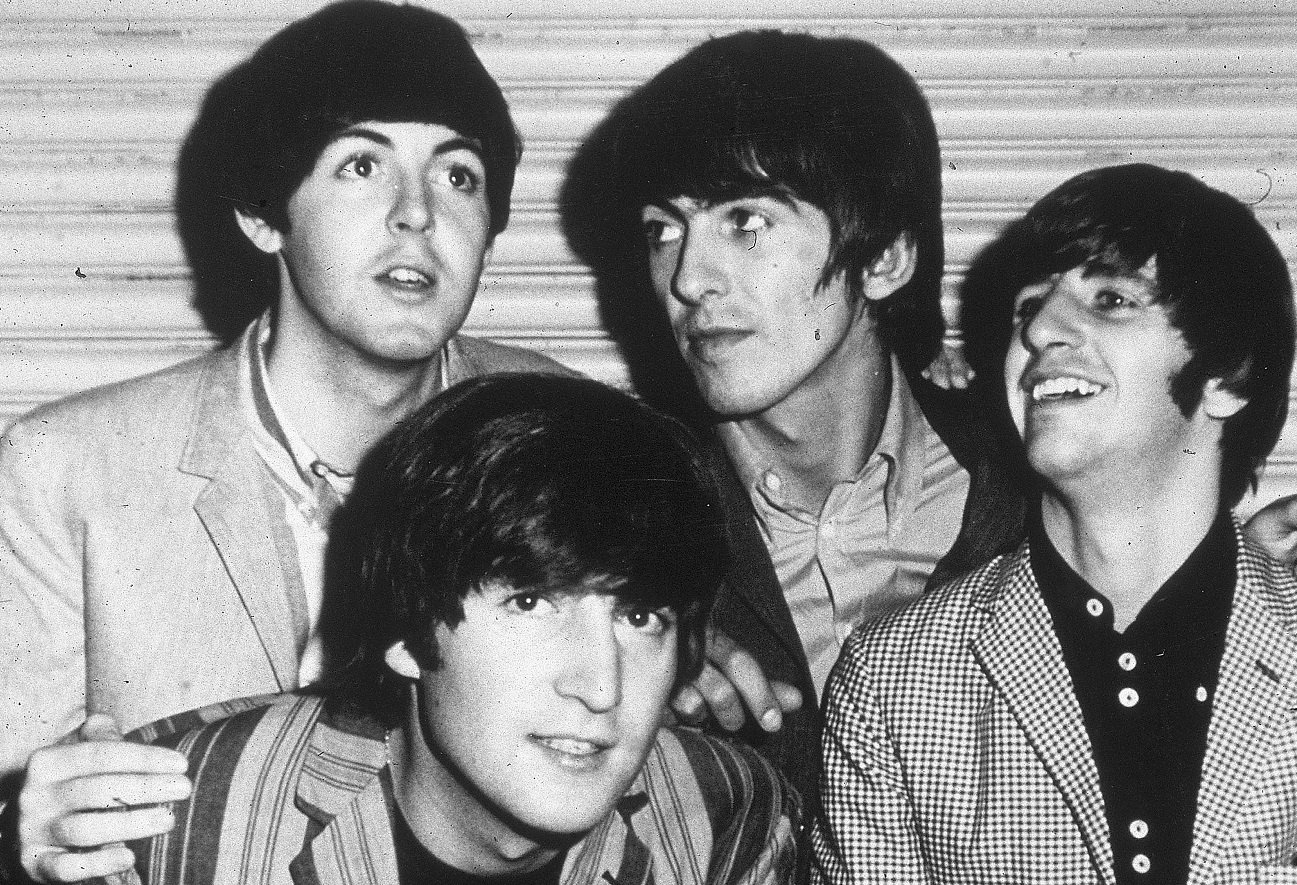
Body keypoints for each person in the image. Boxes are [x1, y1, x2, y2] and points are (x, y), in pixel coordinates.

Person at [1, 2, 569, 879]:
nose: (417, 214)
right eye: (361, 165)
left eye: (459, 175)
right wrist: (18, 837)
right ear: (264, 217)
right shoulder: (65, 468)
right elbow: (19, 784)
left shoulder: (569, 425)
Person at [105, 374, 799, 884]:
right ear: (404, 634)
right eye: (530, 602)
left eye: (639, 617)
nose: (601, 686)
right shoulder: (175, 824)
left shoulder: (727, 814)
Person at [814, 163, 1297, 884]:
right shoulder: (894, 681)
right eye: (1028, 307)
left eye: (1110, 300)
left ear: (1226, 375)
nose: (1039, 330)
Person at [597, 30, 1028, 813]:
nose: (688, 279)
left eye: (744, 222)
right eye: (663, 228)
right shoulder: (616, 508)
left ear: (884, 259)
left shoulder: (1034, 487)